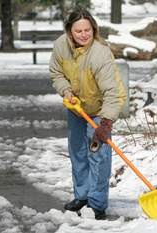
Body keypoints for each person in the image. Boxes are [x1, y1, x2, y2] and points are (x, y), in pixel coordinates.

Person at [49, 8, 127, 220]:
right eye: (78, 31)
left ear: (94, 29)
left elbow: (112, 92)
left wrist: (106, 123)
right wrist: (66, 91)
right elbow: (56, 73)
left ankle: (97, 204)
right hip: (77, 108)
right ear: (69, 32)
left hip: (102, 109)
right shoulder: (60, 46)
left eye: (88, 30)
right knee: (78, 152)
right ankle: (82, 196)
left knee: (98, 157)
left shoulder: (100, 53)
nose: (84, 35)